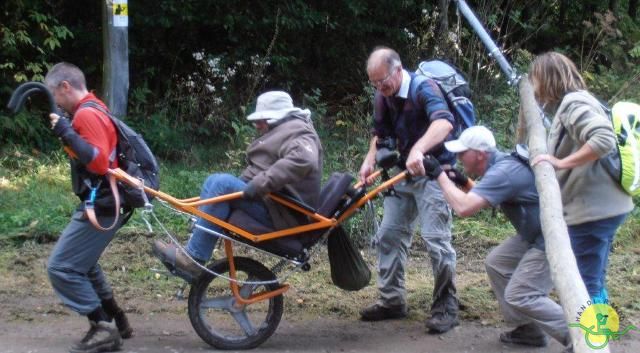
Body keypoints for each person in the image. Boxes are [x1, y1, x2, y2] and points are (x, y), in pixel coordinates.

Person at [422, 126, 571, 348]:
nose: (458, 157)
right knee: (497, 263)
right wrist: (462, 181)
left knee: (521, 294)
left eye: (463, 153)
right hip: (537, 233)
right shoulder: (500, 166)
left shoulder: (504, 172)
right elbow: (482, 196)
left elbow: (464, 208)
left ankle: (581, 335)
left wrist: (439, 176)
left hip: (554, 238)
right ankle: (529, 330)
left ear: (480, 154)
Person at [153, 91, 323, 280]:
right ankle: (194, 247)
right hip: (271, 205)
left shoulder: (299, 131)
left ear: (279, 117)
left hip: (283, 214)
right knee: (214, 180)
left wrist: (260, 183)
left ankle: (194, 259)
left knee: (222, 183)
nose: (257, 125)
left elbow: (304, 160)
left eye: (263, 119)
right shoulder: (284, 130)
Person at [357, 47, 459, 333]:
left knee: (436, 240)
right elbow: (379, 135)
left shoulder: (424, 88)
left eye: (384, 81)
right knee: (388, 235)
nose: (380, 88)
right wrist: (368, 163)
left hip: (435, 173)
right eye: (374, 83)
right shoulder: (383, 96)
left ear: (398, 70)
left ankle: (446, 306)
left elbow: (444, 122)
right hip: (402, 174)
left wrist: (419, 148)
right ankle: (392, 301)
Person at [529, 52, 634, 303]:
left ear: (546, 79)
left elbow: (604, 139)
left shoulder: (574, 104)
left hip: (594, 212)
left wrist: (561, 163)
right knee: (593, 278)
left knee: (585, 283)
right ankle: (597, 334)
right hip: (604, 207)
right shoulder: (578, 101)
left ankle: (593, 339)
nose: (533, 87)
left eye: (535, 80)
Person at [45, 62, 133, 353]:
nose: (55, 102)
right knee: (85, 262)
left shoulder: (86, 114)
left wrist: (68, 133)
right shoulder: (94, 107)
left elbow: (98, 162)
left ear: (65, 87)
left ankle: (102, 327)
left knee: (61, 267)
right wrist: (68, 133)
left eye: (54, 95)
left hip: (104, 203)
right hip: (106, 200)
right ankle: (117, 319)